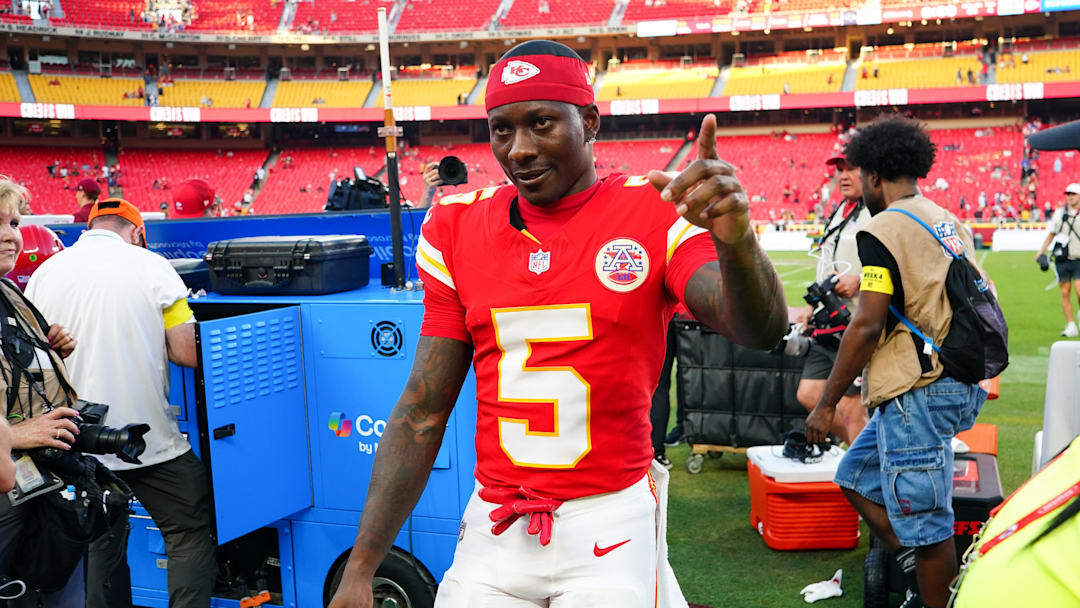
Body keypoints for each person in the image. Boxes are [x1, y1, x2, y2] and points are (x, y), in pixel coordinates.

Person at [327, 40, 787, 608]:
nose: (519, 149)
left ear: (589, 122)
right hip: (496, 523)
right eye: (502, 129)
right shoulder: (456, 226)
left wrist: (737, 241)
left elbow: (757, 328)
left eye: (541, 123)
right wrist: (362, 565)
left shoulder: (650, 210)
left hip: (609, 517)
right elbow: (422, 410)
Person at [805, 115, 989, 608]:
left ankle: (932, 584)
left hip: (919, 391)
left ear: (873, 175)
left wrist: (826, 405)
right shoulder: (946, 218)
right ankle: (916, 569)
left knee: (930, 530)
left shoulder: (882, 227)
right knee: (854, 478)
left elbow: (866, 323)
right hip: (952, 379)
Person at [26, 198, 215, 608]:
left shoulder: (44, 273)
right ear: (137, 233)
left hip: (75, 441)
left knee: (100, 539)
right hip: (146, 441)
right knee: (189, 529)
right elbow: (186, 351)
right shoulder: (152, 267)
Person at [0, 177, 84, 606]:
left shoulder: (9, 291)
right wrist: (16, 435)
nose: (8, 235)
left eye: (12, 222)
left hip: (35, 482)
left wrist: (51, 352)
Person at [794, 155, 872, 445]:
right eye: (840, 170)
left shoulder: (879, 212)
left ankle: (862, 475)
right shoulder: (841, 210)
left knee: (852, 406)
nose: (843, 175)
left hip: (857, 323)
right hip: (828, 322)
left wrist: (861, 280)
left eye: (852, 168)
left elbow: (899, 263)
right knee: (809, 394)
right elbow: (825, 263)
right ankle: (860, 451)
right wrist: (811, 306)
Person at [1035, 183, 1080, 337]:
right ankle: (1071, 325)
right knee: (1065, 292)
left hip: (1079, 258)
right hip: (1063, 258)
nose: (1070, 196)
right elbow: (1051, 234)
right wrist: (1041, 251)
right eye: (1068, 194)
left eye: (1073, 193)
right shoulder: (1059, 213)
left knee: (1079, 290)